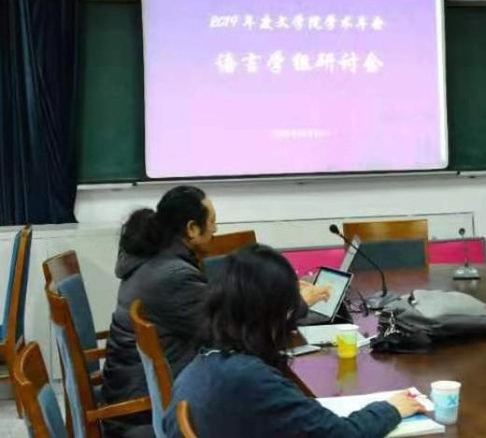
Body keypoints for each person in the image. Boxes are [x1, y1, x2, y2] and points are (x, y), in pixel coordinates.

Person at [102, 186, 330, 438]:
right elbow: (233, 329)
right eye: (212, 222)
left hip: (135, 390)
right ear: (192, 228)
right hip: (141, 411)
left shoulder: (154, 260)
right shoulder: (173, 276)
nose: (216, 229)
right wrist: (294, 303)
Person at [163, 244, 424, 438]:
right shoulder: (250, 379)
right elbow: (342, 434)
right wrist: (390, 409)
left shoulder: (203, 363)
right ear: (275, 315)